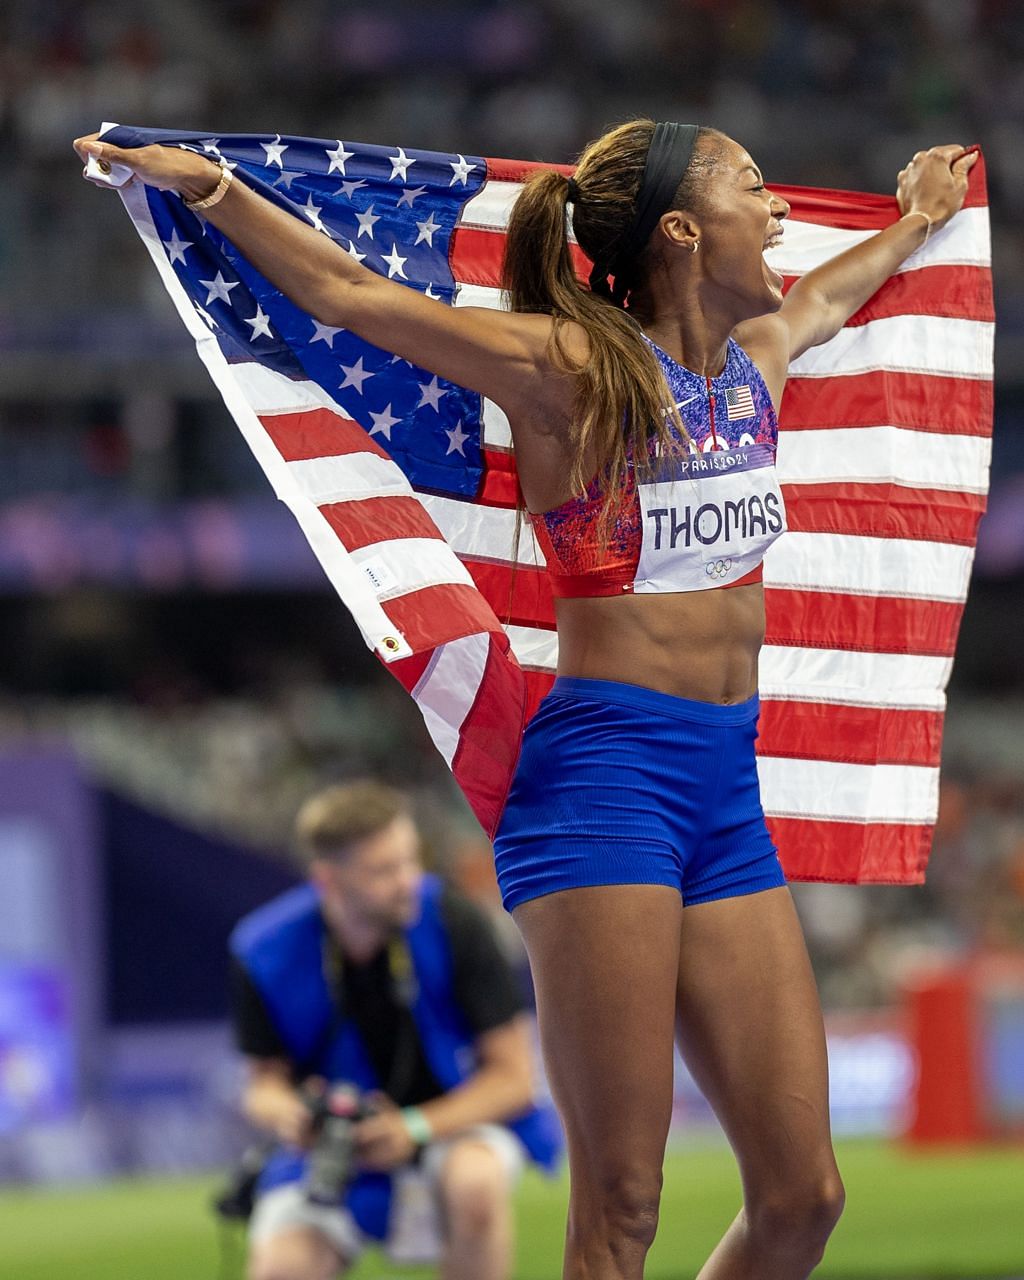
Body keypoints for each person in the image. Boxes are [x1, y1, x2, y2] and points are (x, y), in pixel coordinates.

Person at [77, 119, 976, 1279]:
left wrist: (919, 216)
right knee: (622, 1202)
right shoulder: (568, 369)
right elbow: (351, 295)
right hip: (603, 788)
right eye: (756, 187)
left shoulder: (759, 353)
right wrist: (211, 188)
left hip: (723, 788)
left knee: (804, 1193)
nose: (784, 209)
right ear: (682, 230)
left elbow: (839, 292)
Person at [227, 781, 555, 1280]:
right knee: (281, 1267)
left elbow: (513, 1079)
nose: (408, 880)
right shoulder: (264, 950)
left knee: (475, 1183)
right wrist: (293, 1116)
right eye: (383, 870)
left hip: (451, 1125)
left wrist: (413, 1128)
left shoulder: (453, 919)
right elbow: (262, 1086)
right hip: (336, 1148)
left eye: (409, 860)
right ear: (327, 880)